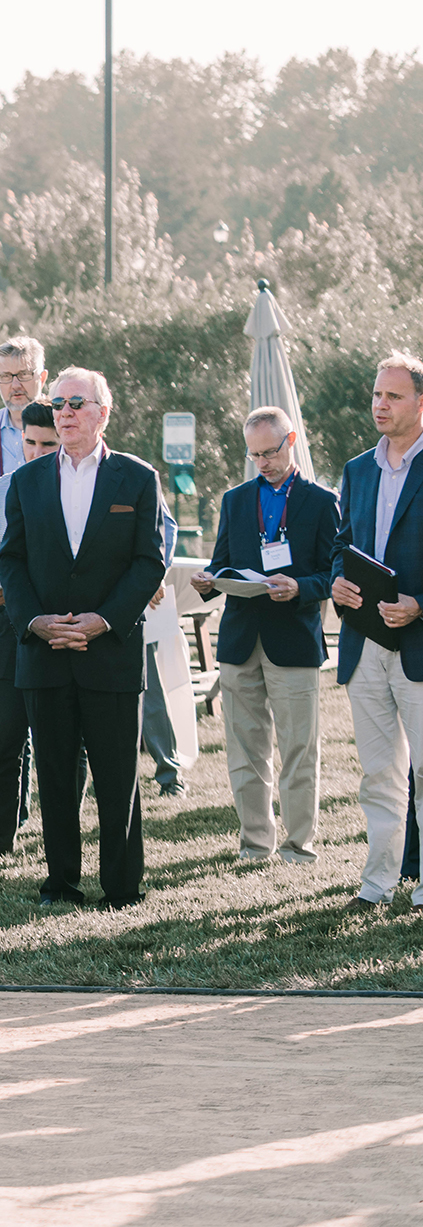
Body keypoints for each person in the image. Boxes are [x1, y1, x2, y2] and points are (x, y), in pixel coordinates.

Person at [0, 366, 165, 911]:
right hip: (45, 650)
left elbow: (149, 563)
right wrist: (34, 622)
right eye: (59, 403)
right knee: (54, 776)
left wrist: (104, 620)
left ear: (103, 412)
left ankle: (121, 886)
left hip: (111, 649)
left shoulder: (138, 478)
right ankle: (61, 883)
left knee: (119, 777)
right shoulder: (26, 481)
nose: (65, 412)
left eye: (77, 403)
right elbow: (14, 563)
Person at [191, 406, 337, 864]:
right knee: (245, 752)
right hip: (239, 640)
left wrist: (300, 588)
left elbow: (335, 574)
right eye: (254, 455)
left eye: (269, 452)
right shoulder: (234, 500)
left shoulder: (321, 500)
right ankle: (255, 845)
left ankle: (299, 846)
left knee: (298, 749)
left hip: (293, 639)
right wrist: (208, 579)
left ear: (290, 442)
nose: (262, 462)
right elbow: (221, 560)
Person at [329, 355, 423, 913]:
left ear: (419, 402)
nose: (380, 405)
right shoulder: (357, 469)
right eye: (376, 395)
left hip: (418, 646)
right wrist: (339, 579)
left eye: (392, 396)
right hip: (364, 645)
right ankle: (379, 884)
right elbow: (342, 542)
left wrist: (420, 606)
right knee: (378, 774)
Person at [0, 402, 60, 856]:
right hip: (11, 625)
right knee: (4, 736)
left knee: (64, 743)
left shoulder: (79, 484)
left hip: (67, 626)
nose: (36, 450)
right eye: (29, 441)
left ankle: (60, 834)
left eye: (46, 443)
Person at [140, 504, 199, 794]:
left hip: (136, 597)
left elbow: (167, 527)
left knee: (151, 692)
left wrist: (154, 573)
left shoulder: (136, 472)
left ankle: (169, 773)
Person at [0, 337, 47, 485]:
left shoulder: (64, 426)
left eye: (24, 374)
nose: (15, 385)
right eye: (6, 376)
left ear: (42, 378)